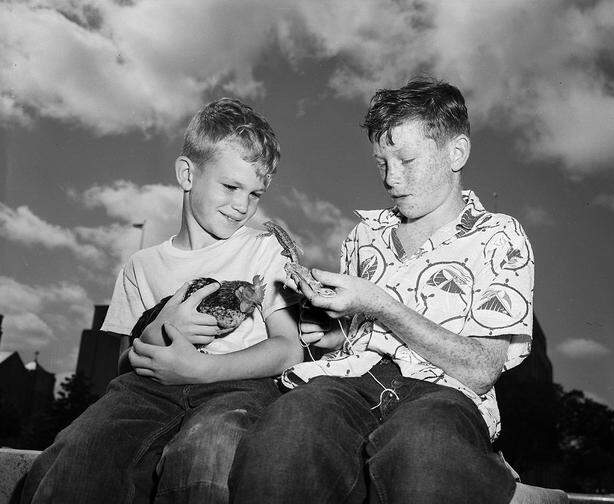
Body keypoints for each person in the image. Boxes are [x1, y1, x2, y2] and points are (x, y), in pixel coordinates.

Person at [229, 78, 535, 504]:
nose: (392, 178)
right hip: (352, 383)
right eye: (381, 163)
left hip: (443, 395)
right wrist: (330, 331)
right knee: (288, 428)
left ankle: (498, 485)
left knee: (422, 445)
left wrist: (381, 305)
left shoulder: (499, 236)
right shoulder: (363, 235)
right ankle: (494, 487)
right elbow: (355, 336)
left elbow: (482, 367)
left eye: (407, 159)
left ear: (456, 152)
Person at [21, 98, 302, 504]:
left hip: (237, 387)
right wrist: (157, 331)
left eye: (255, 193)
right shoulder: (141, 265)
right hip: (150, 391)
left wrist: (203, 368)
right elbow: (122, 365)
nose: (243, 206)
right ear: (187, 173)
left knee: (209, 452)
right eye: (230, 186)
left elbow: (288, 348)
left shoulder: (264, 249)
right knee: (77, 453)